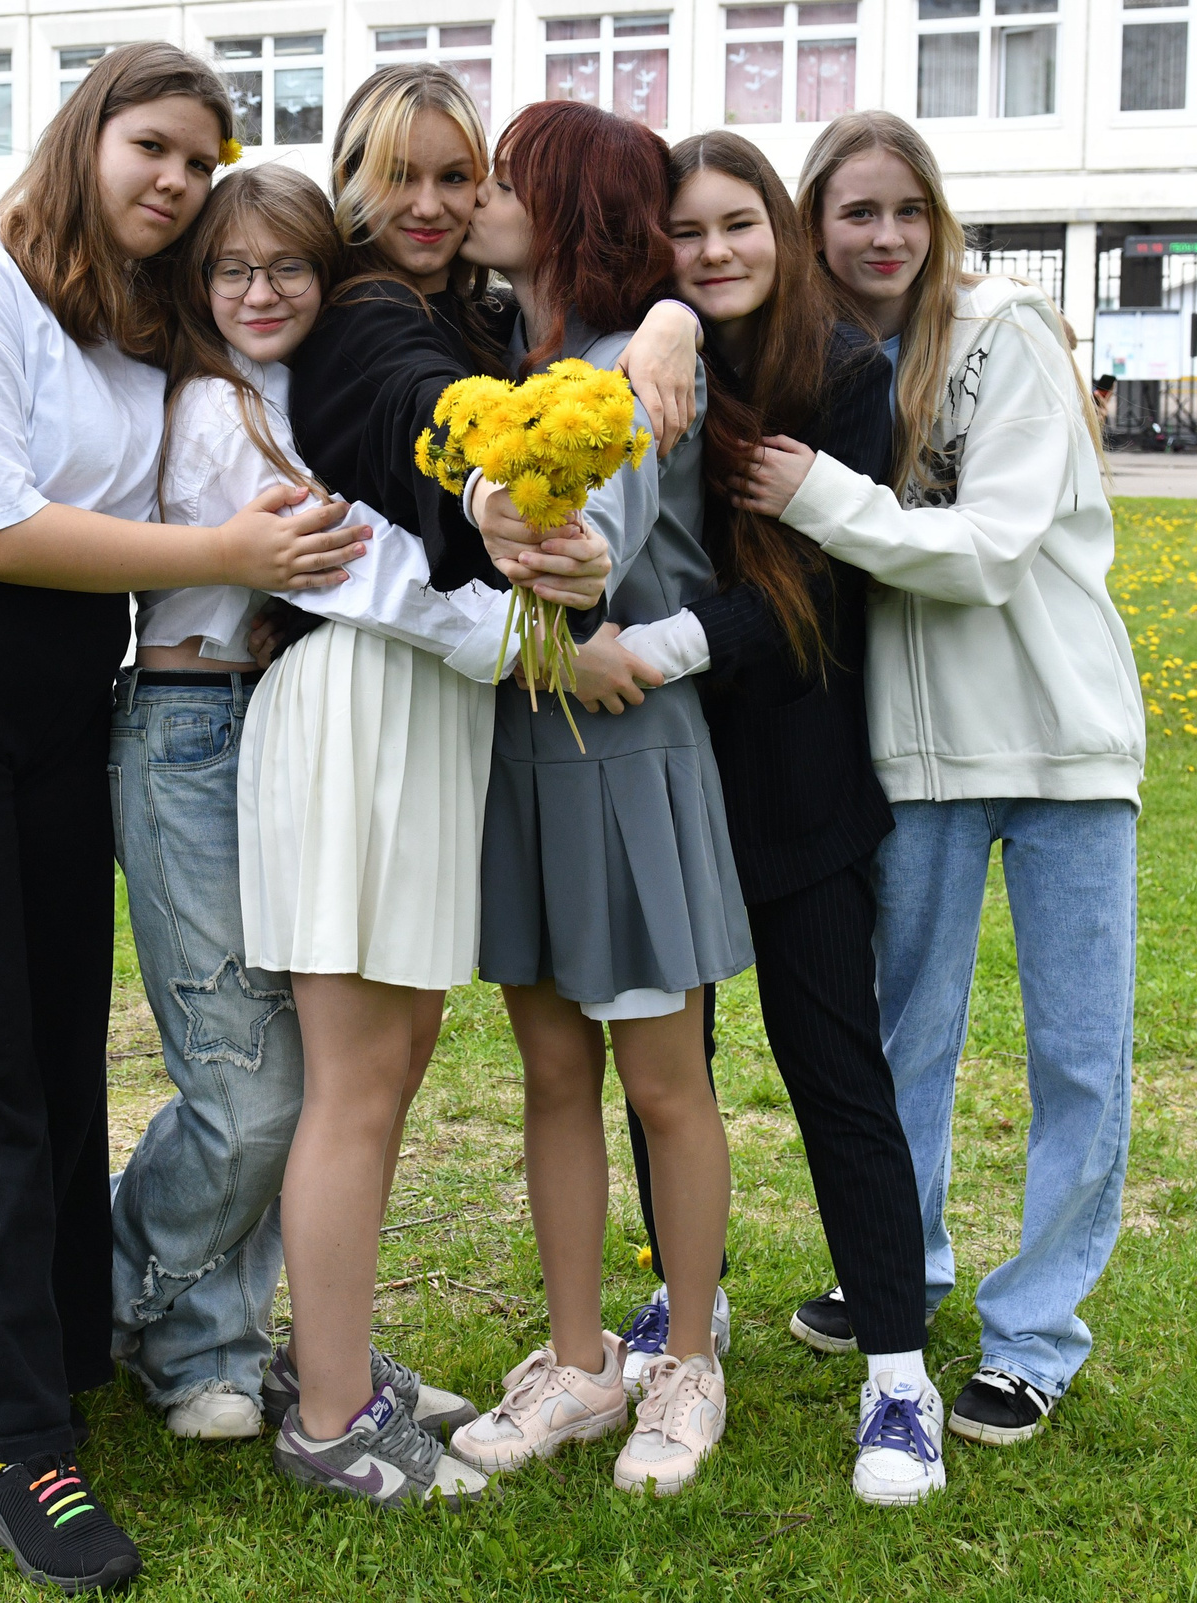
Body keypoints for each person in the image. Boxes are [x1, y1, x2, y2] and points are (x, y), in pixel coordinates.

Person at [0, 46, 365, 1593]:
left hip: (56, 687)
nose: (177, 179)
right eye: (153, 146)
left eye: (201, 157)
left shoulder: (129, 316)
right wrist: (231, 551)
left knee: (47, 1041)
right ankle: (20, 1443)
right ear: (86, 138)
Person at [109, 162, 607, 1449]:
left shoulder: (290, 388)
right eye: (233, 269)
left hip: (265, 698)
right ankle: (121, 1306)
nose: (261, 291)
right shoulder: (221, 412)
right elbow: (362, 567)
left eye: (287, 267)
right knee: (261, 1079)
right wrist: (526, 622)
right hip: (196, 724)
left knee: (296, 1071)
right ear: (197, 283)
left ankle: (259, 1339)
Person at [259, 64, 699, 1510]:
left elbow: (595, 321)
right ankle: (332, 1414)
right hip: (367, 712)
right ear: (355, 180)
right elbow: (411, 409)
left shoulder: (477, 309)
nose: (438, 206)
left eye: (464, 178)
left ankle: (338, 1367)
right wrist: (493, 482)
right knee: (360, 1084)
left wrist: (675, 322)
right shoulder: (369, 314)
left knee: (384, 1075)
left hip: (439, 715)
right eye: (408, 177)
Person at [734, 109, 1144, 1456]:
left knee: (1079, 1053)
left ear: (938, 216)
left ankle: (1035, 1337)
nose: (886, 236)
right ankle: (896, 1270)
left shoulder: (1002, 332)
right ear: (816, 222)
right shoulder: (818, 356)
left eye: (907, 209)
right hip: (916, 756)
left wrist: (814, 497)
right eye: (857, 211)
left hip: (1060, 743)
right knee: (901, 1033)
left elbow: (987, 547)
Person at [569, 127, 945, 1506]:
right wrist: (661, 324)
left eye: (739, 225)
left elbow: (812, 608)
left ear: (779, 234)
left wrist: (654, 647)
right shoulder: (637, 361)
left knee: (835, 1066)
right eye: (686, 234)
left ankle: (899, 1378)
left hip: (788, 776)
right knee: (666, 1077)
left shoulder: (836, 370)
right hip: (659, 778)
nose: (714, 251)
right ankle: (688, 1307)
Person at [442, 100, 744, 1501]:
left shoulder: (627, 366)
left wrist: (548, 573)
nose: (482, 196)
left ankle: (687, 1356)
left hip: (624, 744)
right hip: (531, 738)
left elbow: (592, 544)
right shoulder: (520, 353)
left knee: (662, 1080)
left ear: (572, 210)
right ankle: (580, 1359)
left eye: (510, 177)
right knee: (552, 1071)